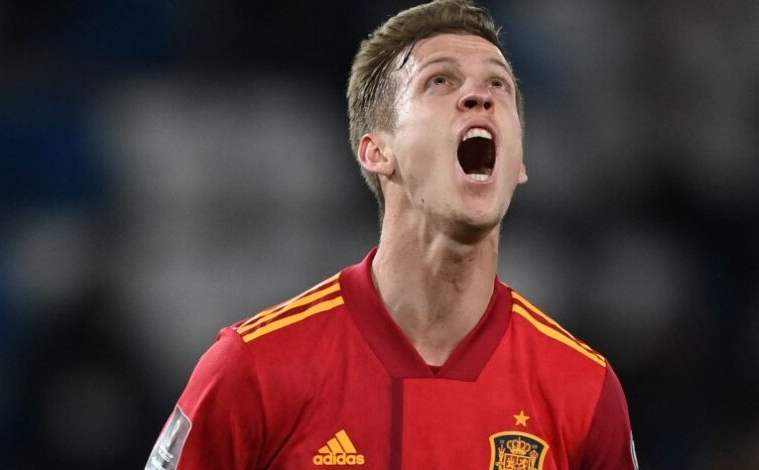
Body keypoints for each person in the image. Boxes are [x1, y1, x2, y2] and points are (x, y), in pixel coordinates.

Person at [146, 1, 638, 468]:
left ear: (521, 163)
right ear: (377, 151)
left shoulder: (584, 389)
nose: (480, 96)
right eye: (440, 81)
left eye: (498, 84)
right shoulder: (253, 369)